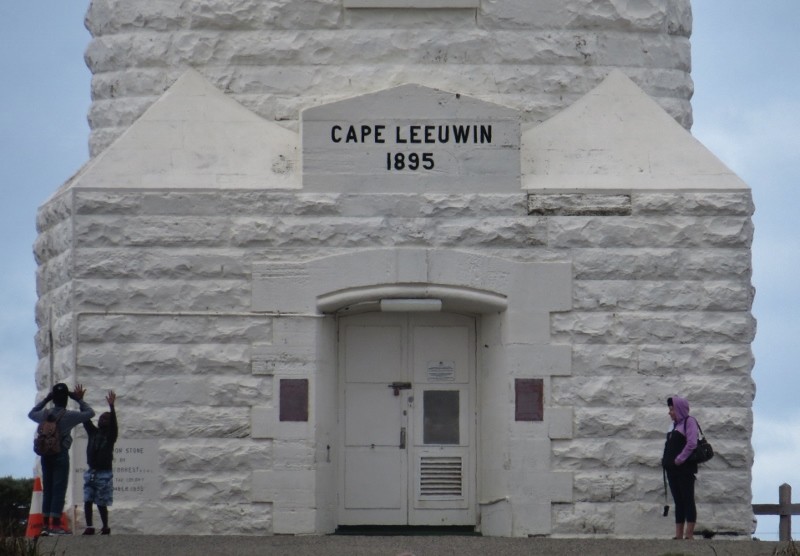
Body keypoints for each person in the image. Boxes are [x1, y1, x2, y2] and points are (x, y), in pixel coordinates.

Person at [28, 383, 95, 535]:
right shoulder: (69, 416)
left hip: (46, 455)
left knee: (48, 489)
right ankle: (55, 525)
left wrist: (46, 400)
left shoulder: (44, 414)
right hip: (60, 454)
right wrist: (78, 399)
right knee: (59, 488)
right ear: (66, 398)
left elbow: (31, 414)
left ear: (53, 398)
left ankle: (45, 525)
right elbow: (90, 413)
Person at [662, 395, 700, 540]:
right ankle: (678, 534)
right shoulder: (673, 426)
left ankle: (689, 534)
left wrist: (679, 460)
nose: (670, 412)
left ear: (679, 409)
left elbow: (692, 443)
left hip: (684, 469)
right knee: (678, 501)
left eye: (672, 409)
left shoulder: (689, 422)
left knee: (687, 499)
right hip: (672, 470)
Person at [82, 390, 118, 535]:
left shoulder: (111, 436)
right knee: (87, 499)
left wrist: (112, 407)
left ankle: (105, 526)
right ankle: (89, 526)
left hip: (104, 473)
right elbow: (85, 420)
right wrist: (81, 401)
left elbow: (114, 425)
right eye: (101, 418)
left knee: (101, 502)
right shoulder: (93, 432)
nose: (102, 420)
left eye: (105, 419)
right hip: (91, 471)